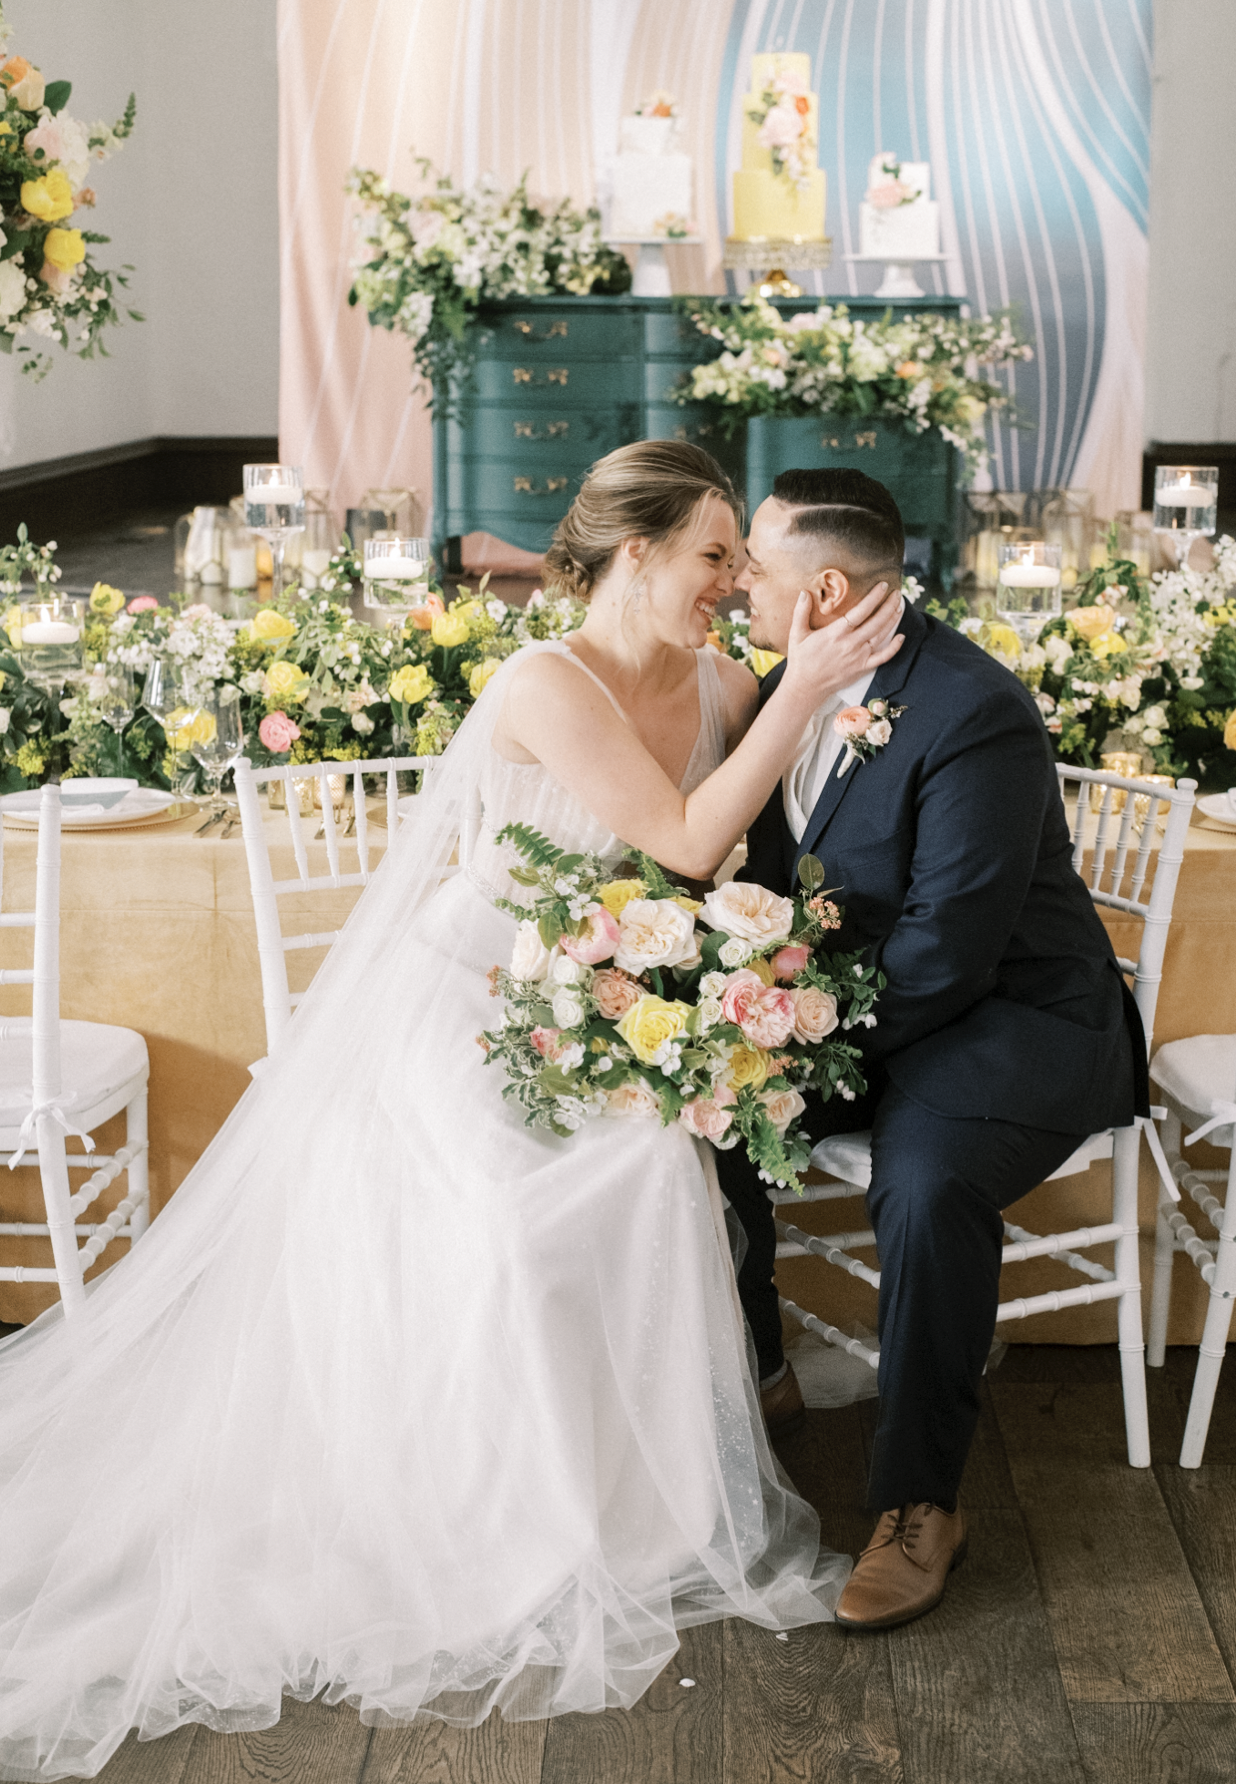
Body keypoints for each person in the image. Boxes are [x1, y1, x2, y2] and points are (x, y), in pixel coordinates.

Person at [0, 443, 905, 1781]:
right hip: (466, 1012)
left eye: (742, 559)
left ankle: (630, 1517)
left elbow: (762, 835)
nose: (735, 580)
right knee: (509, 1218)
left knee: (654, 1167)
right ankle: (482, 1513)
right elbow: (681, 841)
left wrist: (818, 680)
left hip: (600, 1016)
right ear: (638, 552)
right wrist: (805, 689)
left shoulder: (727, 681)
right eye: (716, 553)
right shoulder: (548, 681)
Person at [715, 467, 1148, 1632]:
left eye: (754, 565)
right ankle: (761, 1366)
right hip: (868, 1011)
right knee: (697, 1111)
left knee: (925, 1176)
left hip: (1012, 1019)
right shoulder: (777, 687)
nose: (739, 584)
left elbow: (949, 950)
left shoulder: (972, 709)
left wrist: (790, 1059)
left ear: (828, 588)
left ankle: (918, 1502)